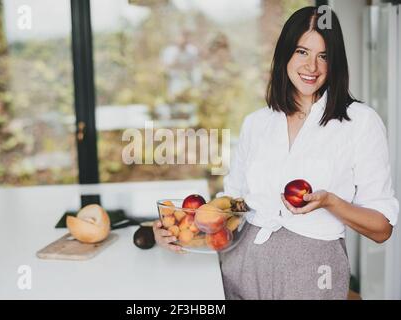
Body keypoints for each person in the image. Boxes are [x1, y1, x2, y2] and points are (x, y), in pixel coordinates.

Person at [153, 6, 399, 299]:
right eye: (302, 52)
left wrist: (330, 202)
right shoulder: (257, 123)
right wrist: (178, 226)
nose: (312, 67)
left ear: (335, 63)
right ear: (285, 55)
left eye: (323, 56)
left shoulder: (361, 122)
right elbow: (233, 207)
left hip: (313, 272)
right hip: (242, 264)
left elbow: (382, 228)